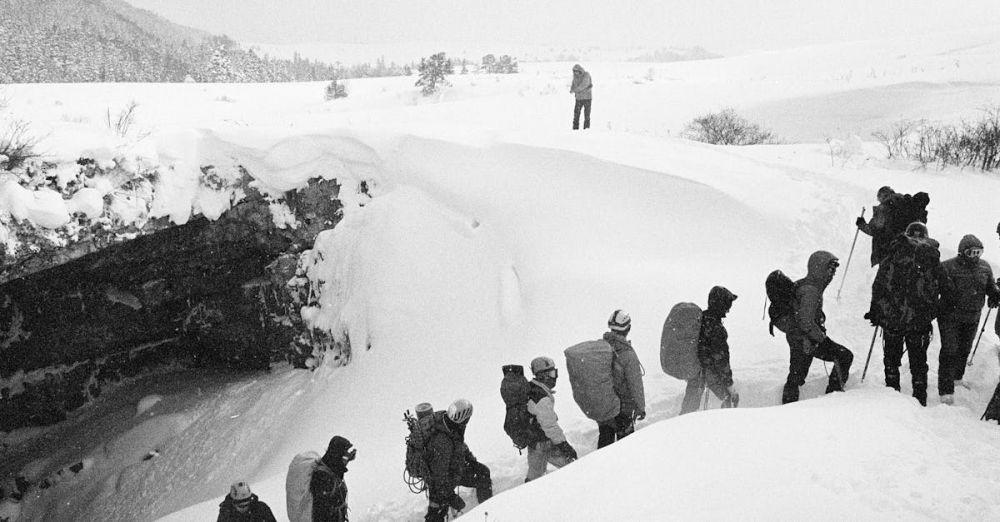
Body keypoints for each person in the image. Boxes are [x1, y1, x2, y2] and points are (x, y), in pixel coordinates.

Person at [866, 222, 941, 406]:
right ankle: (919, 398)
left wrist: (876, 310)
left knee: (892, 358)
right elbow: (944, 286)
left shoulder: (894, 253)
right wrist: (933, 310)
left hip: (893, 318)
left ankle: (892, 394)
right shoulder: (931, 257)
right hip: (919, 320)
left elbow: (880, 284)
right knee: (918, 361)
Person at [781, 251, 855, 404]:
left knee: (796, 375)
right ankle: (832, 399)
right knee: (843, 356)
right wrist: (822, 339)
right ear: (819, 268)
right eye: (830, 269)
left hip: (799, 337)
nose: (833, 273)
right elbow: (806, 322)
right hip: (805, 339)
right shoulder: (810, 290)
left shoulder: (807, 285)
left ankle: (788, 407)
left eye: (834, 270)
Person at [937, 234, 1000, 405]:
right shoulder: (948, 267)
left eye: (979, 252)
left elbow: (990, 286)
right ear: (962, 252)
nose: (976, 256)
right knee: (950, 350)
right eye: (972, 252)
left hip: (972, 316)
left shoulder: (985, 267)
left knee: (964, 349)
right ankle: (945, 390)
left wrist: (994, 294)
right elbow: (936, 288)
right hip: (950, 316)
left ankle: (957, 377)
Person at [424, 399, 492, 522]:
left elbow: (460, 446)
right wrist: (451, 496)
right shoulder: (442, 441)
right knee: (437, 511)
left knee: (483, 473)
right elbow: (438, 476)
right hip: (440, 482)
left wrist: (472, 462)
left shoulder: (451, 426)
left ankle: (486, 511)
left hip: (453, 471)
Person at [680, 286, 739, 414]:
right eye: (727, 305)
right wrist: (730, 385)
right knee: (727, 399)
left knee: (689, 407)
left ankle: (681, 427)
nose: (729, 310)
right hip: (704, 372)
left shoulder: (701, 318)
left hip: (695, 369)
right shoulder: (716, 328)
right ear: (721, 305)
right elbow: (721, 361)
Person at [524, 356, 577, 482]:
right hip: (543, 443)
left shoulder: (532, 388)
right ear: (542, 375)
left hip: (534, 441)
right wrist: (564, 445)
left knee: (534, 476)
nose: (555, 377)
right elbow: (549, 425)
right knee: (573, 467)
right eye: (552, 373)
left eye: (555, 372)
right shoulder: (541, 397)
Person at [598, 310, 646, 447]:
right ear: (628, 328)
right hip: (623, 408)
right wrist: (641, 407)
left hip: (605, 406)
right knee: (626, 448)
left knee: (605, 444)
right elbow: (635, 383)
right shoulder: (627, 354)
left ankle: (597, 467)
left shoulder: (601, 348)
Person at [311, 436, 355, 522]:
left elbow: (336, 469)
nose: (346, 456)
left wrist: (347, 459)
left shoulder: (330, 466)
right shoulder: (322, 477)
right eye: (344, 453)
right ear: (337, 453)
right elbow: (322, 511)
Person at [856, 186, 897, 267]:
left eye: (879, 197)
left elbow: (875, 231)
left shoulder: (884, 210)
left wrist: (861, 224)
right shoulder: (898, 209)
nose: (878, 200)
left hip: (884, 249)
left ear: (883, 196)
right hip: (896, 249)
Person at [569, 64, 593, 130]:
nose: (575, 73)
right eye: (574, 71)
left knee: (587, 116)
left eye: (576, 71)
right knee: (576, 115)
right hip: (578, 99)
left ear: (580, 70)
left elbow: (584, 85)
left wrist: (575, 90)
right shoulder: (575, 77)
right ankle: (575, 130)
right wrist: (571, 89)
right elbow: (573, 84)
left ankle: (586, 130)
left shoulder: (586, 75)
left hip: (587, 98)